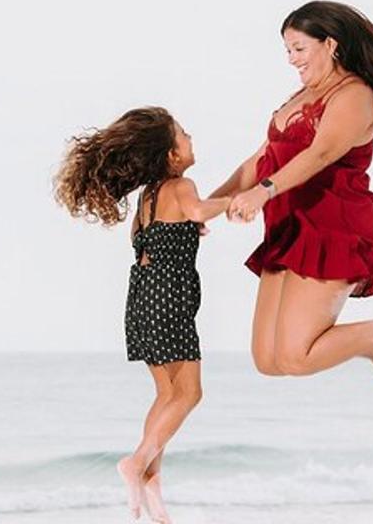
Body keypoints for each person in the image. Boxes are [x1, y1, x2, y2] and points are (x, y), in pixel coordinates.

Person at [212, 1, 373, 389]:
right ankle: (365, 343)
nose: (292, 60)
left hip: (329, 223)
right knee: (268, 361)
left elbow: (321, 153)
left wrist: (263, 192)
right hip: (288, 225)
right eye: (288, 51)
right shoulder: (298, 97)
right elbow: (259, 158)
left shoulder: (355, 96)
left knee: (294, 356)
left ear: (330, 44)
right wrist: (210, 207)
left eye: (299, 49)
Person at [54, 107, 230, 523]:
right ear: (170, 154)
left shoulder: (149, 196)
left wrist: (186, 226)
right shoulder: (183, 184)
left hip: (142, 299)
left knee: (167, 395)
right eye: (184, 134)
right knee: (189, 394)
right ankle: (136, 464)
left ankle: (149, 486)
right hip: (170, 299)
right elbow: (199, 211)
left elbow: (142, 237)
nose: (191, 137)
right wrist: (231, 202)